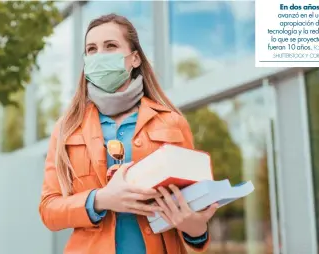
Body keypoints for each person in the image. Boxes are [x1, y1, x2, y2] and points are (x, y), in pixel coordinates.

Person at [39, 13, 218, 254]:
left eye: (110, 46)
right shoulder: (67, 128)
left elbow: (193, 204)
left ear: (134, 58)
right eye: (91, 49)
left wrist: (195, 228)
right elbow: (49, 210)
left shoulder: (171, 122)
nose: (99, 55)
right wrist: (101, 199)